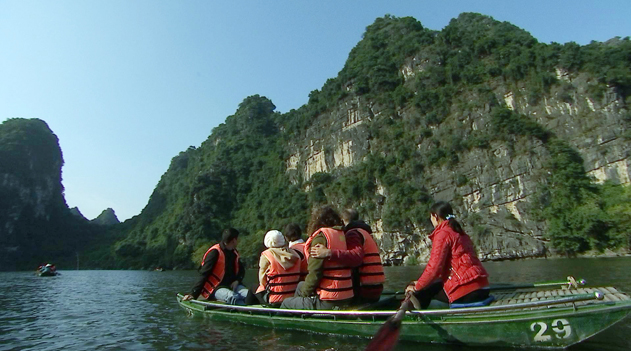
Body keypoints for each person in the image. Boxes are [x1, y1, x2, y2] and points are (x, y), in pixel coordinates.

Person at [405, 201, 490, 309]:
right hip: (483, 287)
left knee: (421, 292)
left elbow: (434, 269)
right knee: (430, 285)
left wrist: (417, 287)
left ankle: (417, 319)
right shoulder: (459, 232)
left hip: (466, 291)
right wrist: (421, 283)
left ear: (435, 216)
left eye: (431, 217)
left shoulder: (443, 233)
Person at [280, 206, 354, 310]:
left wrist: (305, 295)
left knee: (287, 302)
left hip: (329, 300)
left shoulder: (320, 237)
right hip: (347, 295)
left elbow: (315, 272)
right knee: (301, 285)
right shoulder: (341, 235)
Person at [310, 209, 385, 304]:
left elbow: (356, 257)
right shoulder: (363, 232)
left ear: (342, 220)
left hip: (364, 291)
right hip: (375, 289)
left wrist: (328, 253)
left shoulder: (352, 234)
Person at [182, 228, 248, 305]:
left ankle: (255, 309)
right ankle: (246, 311)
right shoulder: (215, 252)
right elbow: (204, 274)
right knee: (232, 297)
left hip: (232, 285)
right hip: (215, 288)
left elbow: (241, 271)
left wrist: (237, 281)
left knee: (248, 294)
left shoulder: (234, 253)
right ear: (234, 240)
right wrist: (193, 294)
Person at [250, 230, 301, 306]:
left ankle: (245, 312)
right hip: (292, 299)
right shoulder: (295, 255)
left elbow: (263, 282)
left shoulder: (267, 256)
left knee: (253, 288)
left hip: (274, 300)